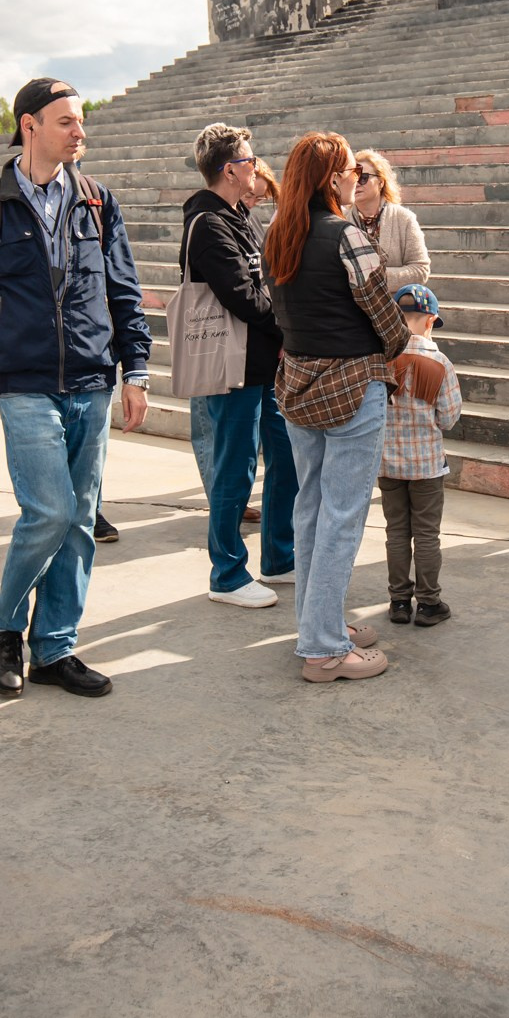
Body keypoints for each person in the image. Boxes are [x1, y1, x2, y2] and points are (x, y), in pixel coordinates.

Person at [0, 79, 153, 700]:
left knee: (81, 520)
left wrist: (134, 371)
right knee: (52, 511)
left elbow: (124, 291)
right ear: (29, 125)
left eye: (81, 121)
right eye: (67, 122)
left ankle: (55, 647)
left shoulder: (97, 201)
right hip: (24, 383)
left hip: (91, 378)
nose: (80, 132)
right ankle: (6, 623)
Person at [267, 132, 414, 684]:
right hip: (352, 386)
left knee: (310, 508)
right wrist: (400, 348)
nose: (356, 176)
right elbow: (386, 317)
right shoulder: (347, 234)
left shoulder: (277, 234)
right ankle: (324, 646)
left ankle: (318, 623)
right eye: (350, 169)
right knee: (342, 517)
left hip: (298, 385)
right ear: (332, 179)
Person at [182, 123, 296, 608]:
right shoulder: (208, 223)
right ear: (230, 170)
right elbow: (247, 299)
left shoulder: (237, 215)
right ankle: (227, 574)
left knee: (287, 456)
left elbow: (264, 282)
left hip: (261, 364)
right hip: (232, 368)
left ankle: (280, 557)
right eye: (249, 161)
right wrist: (290, 322)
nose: (256, 167)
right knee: (236, 470)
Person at [379, 284, 462, 628]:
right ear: (430, 321)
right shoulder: (439, 363)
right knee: (427, 534)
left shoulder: (381, 358)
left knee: (396, 532)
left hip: (388, 464)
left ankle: (399, 601)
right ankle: (429, 603)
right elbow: (449, 416)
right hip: (427, 466)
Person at [349, 148, 430, 289]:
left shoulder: (404, 218)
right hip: (351, 306)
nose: (357, 184)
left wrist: (376, 278)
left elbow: (420, 270)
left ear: (381, 182)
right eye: (353, 178)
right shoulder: (341, 220)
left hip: (393, 304)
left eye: (363, 178)